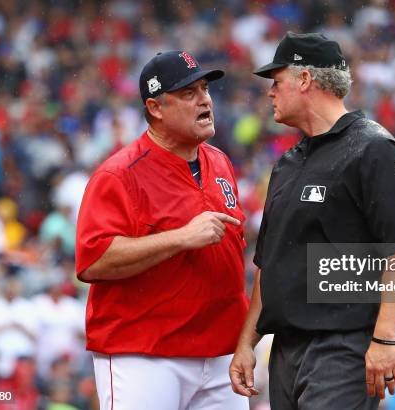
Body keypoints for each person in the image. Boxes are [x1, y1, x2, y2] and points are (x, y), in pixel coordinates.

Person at [229, 32, 395, 409]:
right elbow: (269, 264)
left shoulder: (372, 148)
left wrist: (385, 338)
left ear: (305, 80)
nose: (270, 93)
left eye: (276, 82)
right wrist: (247, 343)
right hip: (286, 350)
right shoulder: (287, 163)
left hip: (342, 346)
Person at [75, 50, 249, 409]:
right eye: (188, 93)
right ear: (155, 108)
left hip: (219, 353)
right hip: (144, 354)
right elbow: (93, 260)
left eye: (204, 89)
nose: (204, 99)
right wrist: (181, 237)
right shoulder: (119, 174)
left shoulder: (219, 161)